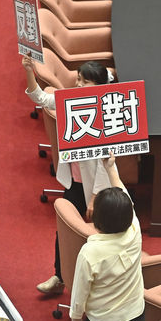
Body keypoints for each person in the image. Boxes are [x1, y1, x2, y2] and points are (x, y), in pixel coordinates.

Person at [22, 54, 112, 294]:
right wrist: (29, 70)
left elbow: (105, 164)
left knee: (98, 238)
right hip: (74, 183)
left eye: (85, 82)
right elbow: (39, 97)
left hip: (98, 189)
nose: (79, 85)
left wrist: (94, 197)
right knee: (65, 230)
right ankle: (59, 277)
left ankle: (97, 287)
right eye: (79, 79)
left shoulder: (107, 111)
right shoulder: (70, 101)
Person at [69, 152, 145, 321]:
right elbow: (124, 195)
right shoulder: (134, 230)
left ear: (97, 219)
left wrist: (75, 318)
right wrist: (111, 168)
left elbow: (80, 291)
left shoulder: (91, 252)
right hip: (134, 317)